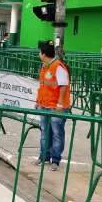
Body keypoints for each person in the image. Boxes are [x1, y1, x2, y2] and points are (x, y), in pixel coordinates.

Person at [35, 41, 71, 171]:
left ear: (44, 54)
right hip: (45, 105)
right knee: (45, 131)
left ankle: (55, 159)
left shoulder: (58, 66)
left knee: (57, 133)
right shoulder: (45, 66)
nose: (39, 54)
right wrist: (38, 101)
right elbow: (43, 86)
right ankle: (44, 156)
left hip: (56, 107)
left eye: (40, 52)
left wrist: (60, 104)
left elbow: (63, 86)